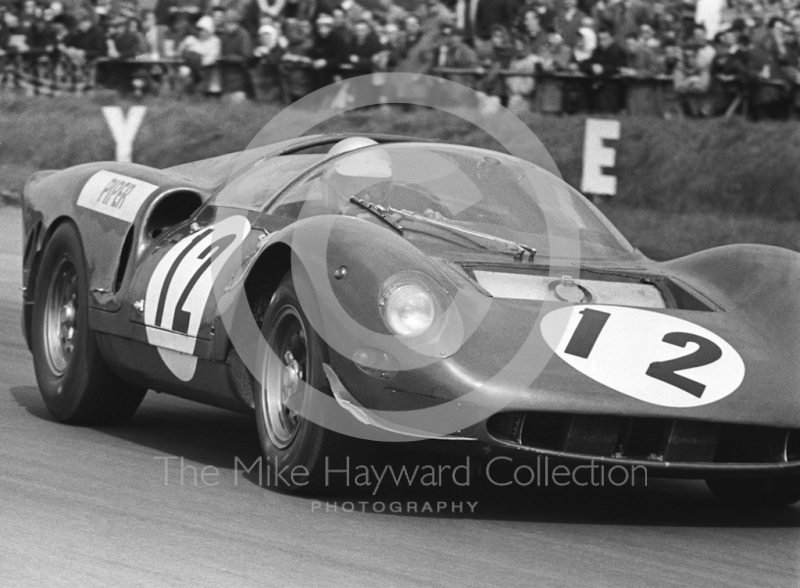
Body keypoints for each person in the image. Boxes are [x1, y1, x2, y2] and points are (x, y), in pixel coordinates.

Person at [582, 27, 628, 112]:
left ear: (612, 38)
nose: (602, 42)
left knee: (607, 115)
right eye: (600, 39)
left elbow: (619, 67)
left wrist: (603, 69)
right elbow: (586, 63)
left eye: (605, 39)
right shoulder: (597, 50)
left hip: (612, 88)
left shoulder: (618, 51)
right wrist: (592, 66)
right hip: (597, 87)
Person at [219, 7, 254, 99]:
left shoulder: (244, 35)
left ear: (235, 24)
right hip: (227, 73)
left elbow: (247, 56)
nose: (226, 27)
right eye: (225, 24)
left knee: (237, 99)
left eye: (227, 24)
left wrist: (228, 58)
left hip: (240, 73)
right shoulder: (225, 35)